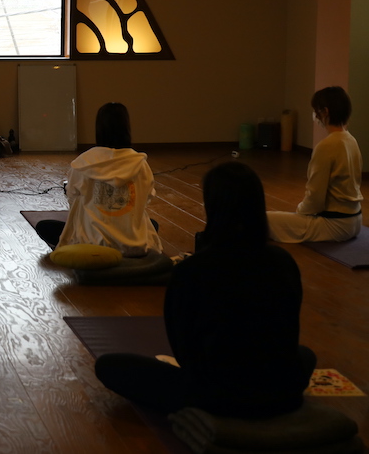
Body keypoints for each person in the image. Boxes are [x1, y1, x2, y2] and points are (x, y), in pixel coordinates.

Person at [95, 162, 316, 418]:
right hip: (282, 394)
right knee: (305, 355)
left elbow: (183, 349)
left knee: (109, 366)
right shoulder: (283, 262)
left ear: (212, 206)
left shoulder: (192, 270)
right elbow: (288, 330)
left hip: (216, 396)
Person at [35, 102, 162, 257]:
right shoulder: (141, 164)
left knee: (44, 227)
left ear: (99, 129)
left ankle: (93, 249)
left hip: (90, 245)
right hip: (133, 247)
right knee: (151, 225)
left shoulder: (83, 163)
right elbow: (146, 199)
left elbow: (72, 199)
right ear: (127, 128)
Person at [267, 86, 362, 242]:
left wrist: (299, 212)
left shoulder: (326, 146)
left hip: (335, 226)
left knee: (263, 219)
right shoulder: (351, 140)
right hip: (355, 222)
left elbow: (315, 199)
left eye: (316, 110)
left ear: (325, 112)